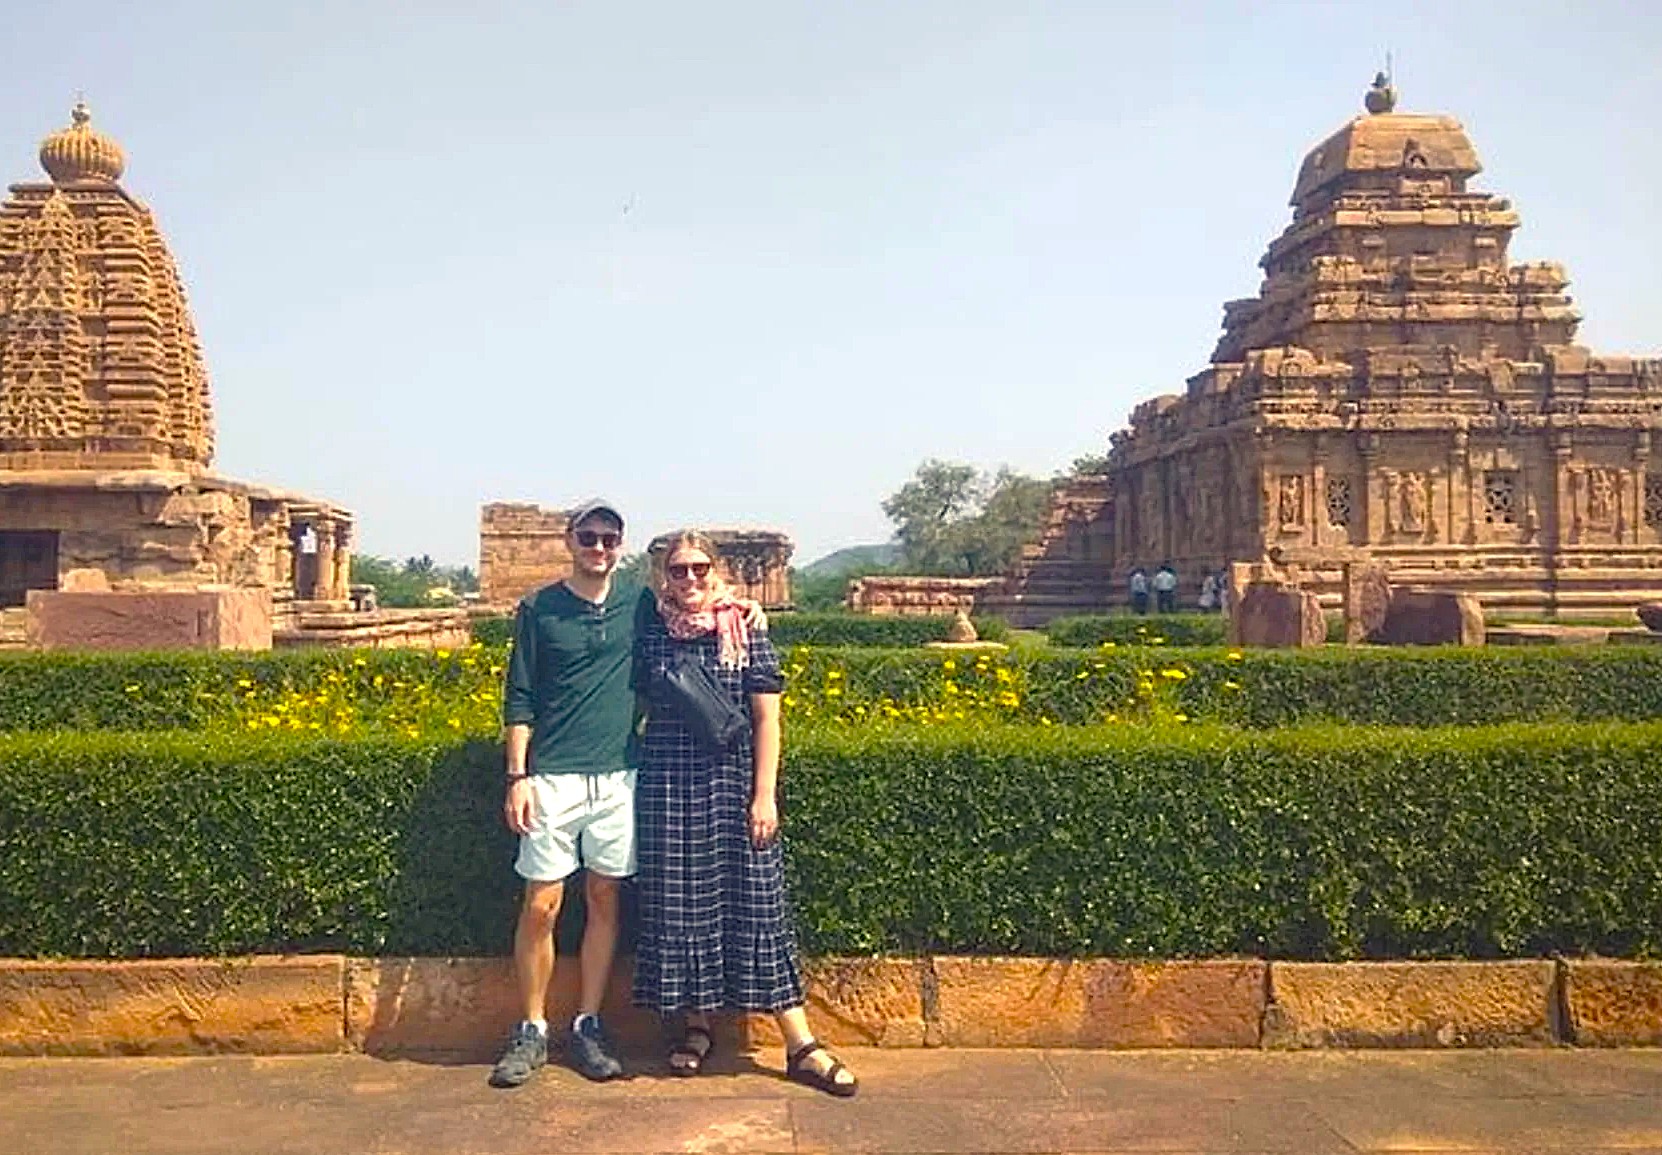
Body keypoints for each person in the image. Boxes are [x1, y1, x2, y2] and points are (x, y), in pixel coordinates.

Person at [631, 530, 858, 1097]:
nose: (690, 580)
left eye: (699, 568)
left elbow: (766, 721)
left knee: (757, 905)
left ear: (718, 570)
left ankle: (800, 1042)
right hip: (668, 787)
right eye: (678, 570)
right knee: (683, 908)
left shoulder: (745, 627)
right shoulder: (651, 630)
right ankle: (697, 1025)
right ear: (663, 575)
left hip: (734, 786)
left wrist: (765, 794)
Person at [490, 498, 643, 1089]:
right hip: (552, 776)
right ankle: (531, 1028)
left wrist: (749, 612)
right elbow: (519, 697)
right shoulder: (540, 609)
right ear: (569, 540)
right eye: (589, 537)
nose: (599, 548)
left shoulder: (640, 604)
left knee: (605, 900)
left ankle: (588, 1022)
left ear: (620, 546)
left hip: (618, 776)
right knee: (541, 905)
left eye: (609, 538)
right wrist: (517, 775)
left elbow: (698, 605)